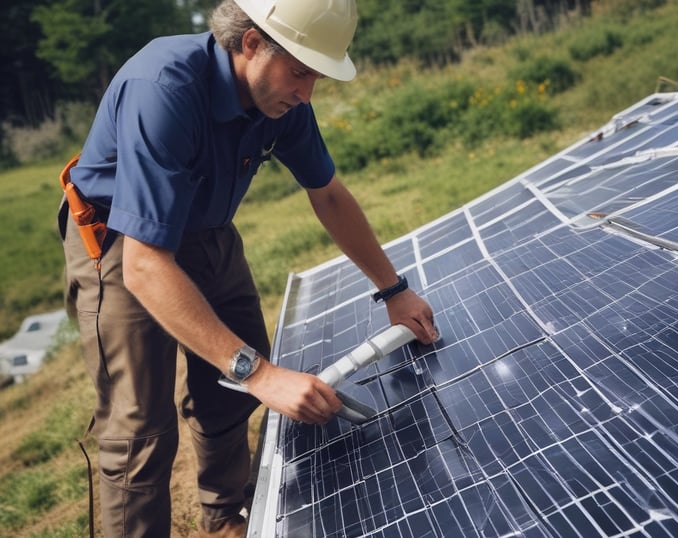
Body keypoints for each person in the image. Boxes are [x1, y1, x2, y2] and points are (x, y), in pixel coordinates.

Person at [57, 0, 439, 536]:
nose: (307, 93)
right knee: (141, 429)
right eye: (301, 71)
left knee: (228, 395)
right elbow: (145, 265)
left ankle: (224, 515)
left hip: (209, 234)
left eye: (317, 77)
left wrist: (393, 289)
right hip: (122, 242)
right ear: (252, 43)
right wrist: (259, 374)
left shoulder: (281, 101)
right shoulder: (163, 88)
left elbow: (327, 194)